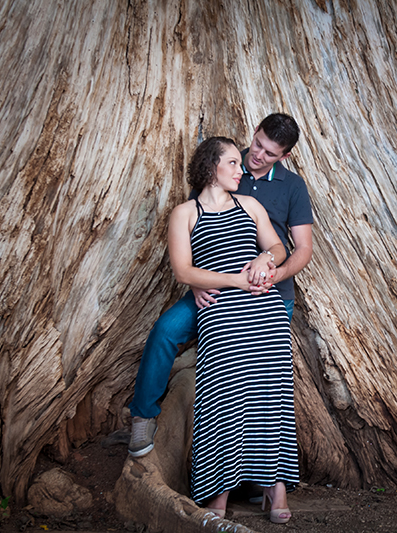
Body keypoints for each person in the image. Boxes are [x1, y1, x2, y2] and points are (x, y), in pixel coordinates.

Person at [169, 136, 297, 522]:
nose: (243, 170)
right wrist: (236, 281)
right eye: (233, 164)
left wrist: (263, 257)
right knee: (223, 400)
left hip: (265, 309)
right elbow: (183, 270)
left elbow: (280, 249)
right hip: (222, 312)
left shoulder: (250, 204)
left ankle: (275, 491)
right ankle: (218, 496)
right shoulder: (185, 213)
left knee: (270, 396)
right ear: (211, 167)